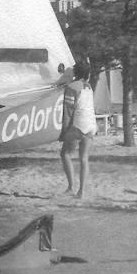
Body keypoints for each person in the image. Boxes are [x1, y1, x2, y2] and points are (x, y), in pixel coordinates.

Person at [59, 60, 97, 199]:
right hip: (91, 126)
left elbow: (68, 112)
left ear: (75, 72)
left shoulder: (72, 87)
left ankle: (70, 187)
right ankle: (81, 192)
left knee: (65, 154)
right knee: (84, 158)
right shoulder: (89, 87)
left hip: (78, 125)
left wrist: (64, 132)